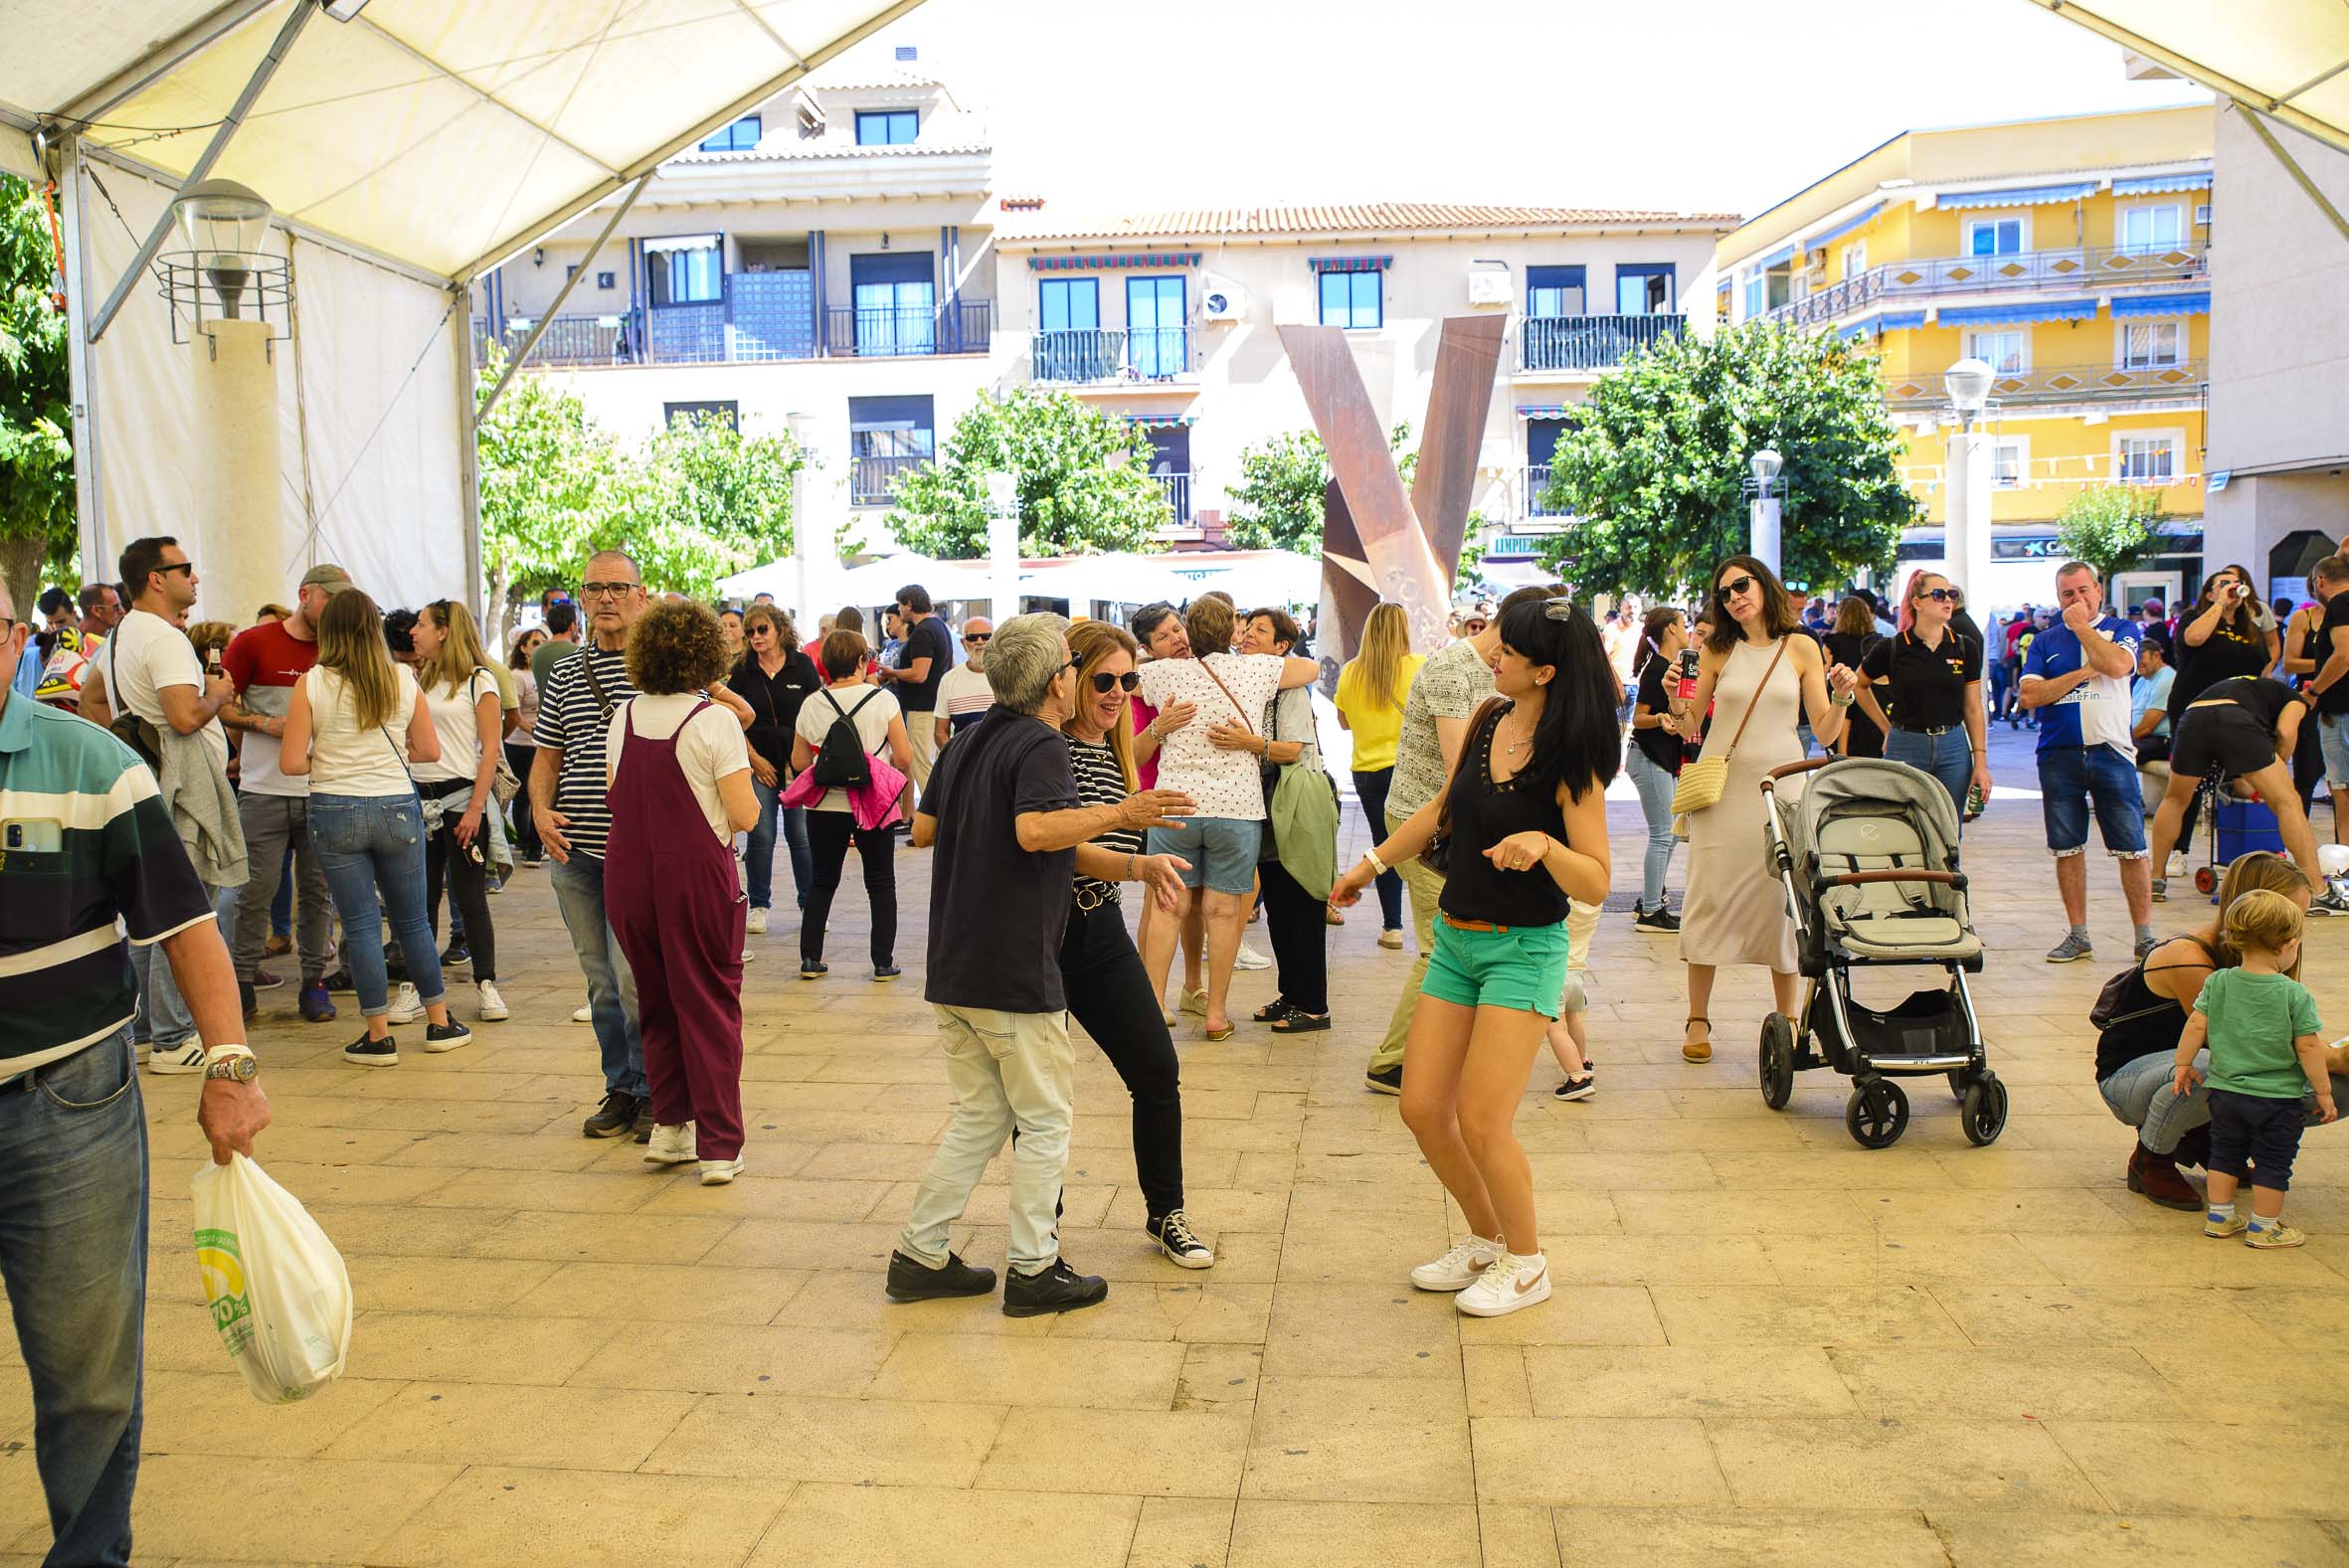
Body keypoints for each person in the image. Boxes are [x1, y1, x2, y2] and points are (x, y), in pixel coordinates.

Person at [0, 579, 270, 1566]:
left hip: (66, 1104)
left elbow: (184, 923)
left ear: (16, 641)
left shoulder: (91, 762)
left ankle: (87, 1554)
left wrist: (230, 1061)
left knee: (86, 1365)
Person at [1329, 596, 1616, 1318]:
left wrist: (1547, 846)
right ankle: (1486, 1239)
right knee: (1424, 1108)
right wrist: (1370, 863)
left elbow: (1599, 878)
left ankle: (1528, 1261)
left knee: (1485, 1121)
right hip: (1458, 939)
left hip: (1524, 949)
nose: (1495, 654)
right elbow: (1443, 809)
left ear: (1545, 670)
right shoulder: (1489, 716)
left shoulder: (1571, 756)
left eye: (1512, 652)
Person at [886, 613, 1123, 1316]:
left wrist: (1132, 865)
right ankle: (1034, 1267)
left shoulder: (969, 738)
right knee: (1045, 1120)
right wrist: (1124, 810)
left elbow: (925, 829)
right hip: (1011, 968)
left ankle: (919, 1253)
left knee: (982, 1115)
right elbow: (1035, 829)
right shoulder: (1042, 744)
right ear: (1059, 680)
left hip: (955, 964)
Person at [1047, 619, 1213, 1265]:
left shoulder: (1113, 746)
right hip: (1047, 935)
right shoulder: (1047, 748)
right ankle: (1042, 1233)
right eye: (1105, 679)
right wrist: (1139, 864)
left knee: (1156, 1068)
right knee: (1043, 1098)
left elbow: (1119, 825)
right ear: (1070, 678)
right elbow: (1058, 847)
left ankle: (1166, 1212)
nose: (1120, 691)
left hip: (1103, 927)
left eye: (1129, 678)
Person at [1361, 584, 1562, 1094]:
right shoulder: (1455, 670)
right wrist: (1369, 866)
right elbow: (1460, 775)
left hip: (1459, 828)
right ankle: (1394, 1061)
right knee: (1438, 945)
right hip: (1432, 830)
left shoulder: (1504, 685)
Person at [1675, 556, 1858, 1063]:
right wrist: (1674, 698)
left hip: (1780, 790)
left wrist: (1842, 697)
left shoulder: (1800, 646)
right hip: (1722, 790)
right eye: (1725, 591)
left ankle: (1791, 1018)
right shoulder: (1712, 649)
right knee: (1709, 896)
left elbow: (1822, 730)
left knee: (1785, 903)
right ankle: (1697, 1017)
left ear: (1763, 585)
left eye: (1742, 585)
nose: (1734, 596)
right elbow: (1690, 724)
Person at [278, 590, 472, 1065]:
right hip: (396, 806)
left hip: (334, 806)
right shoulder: (403, 678)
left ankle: (378, 1035)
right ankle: (440, 1022)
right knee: (413, 922)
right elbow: (428, 751)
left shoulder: (312, 683)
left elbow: (288, 763)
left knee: (362, 924)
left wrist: (331, 757)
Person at [606, 600, 761, 1187]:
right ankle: (720, 1144)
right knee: (711, 1003)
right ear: (706, 657)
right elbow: (744, 815)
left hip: (627, 874)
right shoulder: (712, 719)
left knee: (657, 998)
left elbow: (615, 791)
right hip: (694, 875)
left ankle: (671, 1127)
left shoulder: (622, 715)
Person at [91, 537, 249, 1074]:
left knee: (149, 912)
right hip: (178, 790)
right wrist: (219, 696)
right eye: (186, 569)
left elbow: (92, 700)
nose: (196, 578)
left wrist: (119, 744)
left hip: (145, 783)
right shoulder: (162, 637)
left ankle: (141, 1029)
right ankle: (173, 1037)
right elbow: (183, 717)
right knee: (184, 912)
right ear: (156, 578)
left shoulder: (118, 635)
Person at [1134, 596, 1320, 1042]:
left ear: (1187, 633)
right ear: (1233, 633)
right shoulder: (1256, 670)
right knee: (1222, 912)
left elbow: (1127, 681)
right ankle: (1216, 1014)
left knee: (1168, 906)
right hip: (1237, 811)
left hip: (1176, 804)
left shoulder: (1160, 673)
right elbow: (1310, 671)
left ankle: (1155, 1005)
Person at [219, 563, 348, 1027]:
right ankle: (241, 982)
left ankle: (314, 981)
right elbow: (220, 705)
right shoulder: (255, 642)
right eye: (329, 599)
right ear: (305, 594)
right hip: (263, 789)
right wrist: (263, 723)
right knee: (254, 891)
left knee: (318, 894)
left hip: (324, 791)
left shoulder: (341, 648)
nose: (335, 608)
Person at [2173, 888, 2332, 1248]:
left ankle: (2220, 1217)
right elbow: (2308, 1046)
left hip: (2226, 1094)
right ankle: (2264, 1226)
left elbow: (2196, 1025)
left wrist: (2183, 1063)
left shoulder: (2220, 981)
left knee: (2225, 1153)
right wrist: (2322, 1090)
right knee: (2273, 1162)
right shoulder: (2294, 994)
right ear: (2287, 944)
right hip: (2278, 1100)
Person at [2022, 561, 2155, 963]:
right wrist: (2082, 673)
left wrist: (2082, 628)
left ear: (2098, 591)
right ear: (2057, 596)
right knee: (2067, 847)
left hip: (2111, 751)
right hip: (2059, 753)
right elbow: (2030, 697)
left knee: (2132, 846)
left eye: (2082, 591)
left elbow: (2117, 666)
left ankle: (2144, 937)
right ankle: (2078, 935)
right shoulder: (2045, 641)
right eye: (2067, 594)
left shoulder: (2124, 631)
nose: (2076, 599)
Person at [1224, 606, 1332, 1032]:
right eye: (1247, 629)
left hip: (1294, 804)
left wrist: (1246, 742)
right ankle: (1291, 994)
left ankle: (1313, 1005)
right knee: (1280, 907)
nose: (1248, 636)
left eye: (1260, 631)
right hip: (1266, 807)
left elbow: (1293, 748)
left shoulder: (1291, 689)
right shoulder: (1253, 683)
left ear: (1282, 646)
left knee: (1303, 903)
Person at [402, 599, 507, 1024]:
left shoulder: (479, 681)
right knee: (418, 900)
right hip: (416, 798)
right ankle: (416, 985)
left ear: (444, 630)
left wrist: (477, 809)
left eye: (422, 624)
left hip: (461, 799)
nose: (414, 631)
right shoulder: (417, 680)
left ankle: (486, 983)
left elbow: (490, 750)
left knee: (469, 896)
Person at [791, 629, 911, 980]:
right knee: (881, 882)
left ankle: (811, 958)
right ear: (862, 661)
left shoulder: (812, 703)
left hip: (825, 805)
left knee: (822, 880)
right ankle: (882, 962)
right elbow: (903, 756)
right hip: (873, 804)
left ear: (825, 664)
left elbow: (799, 762)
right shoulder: (883, 700)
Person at [2144, 673, 2326, 896]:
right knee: (2288, 801)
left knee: (2175, 799)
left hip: (2193, 717)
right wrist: (2279, 763)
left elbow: (2244, 782)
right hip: (2234, 717)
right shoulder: (2296, 699)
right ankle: (2316, 888)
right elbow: (2285, 732)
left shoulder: (2251, 688)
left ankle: (2156, 879)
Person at [2165, 564, 2282, 864]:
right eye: (2223, 583)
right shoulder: (2194, 618)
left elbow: (2263, 660)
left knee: (2246, 779)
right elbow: (2194, 639)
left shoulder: (2249, 627)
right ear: (2209, 592)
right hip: (2195, 711)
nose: (2232, 587)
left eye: (2236, 583)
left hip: (2238, 714)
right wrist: (2219, 604)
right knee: (2188, 783)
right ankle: (2177, 851)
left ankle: (2248, 849)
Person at [1856, 570, 1990, 826]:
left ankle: (1948, 869)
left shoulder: (1964, 647)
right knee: (1904, 828)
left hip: (1953, 745)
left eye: (1952, 594)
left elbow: (1973, 708)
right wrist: (1886, 728)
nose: (1948, 601)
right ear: (1917, 603)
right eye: (1939, 595)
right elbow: (1859, 685)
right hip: (1906, 743)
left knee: (1949, 831)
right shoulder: (1892, 647)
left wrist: (1980, 762)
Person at [1127, 603, 1204, 1015]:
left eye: (1178, 629)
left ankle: (1193, 986)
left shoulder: (1199, 671)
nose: (1177, 639)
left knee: (1195, 901)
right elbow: (1133, 756)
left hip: (1194, 803)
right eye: (1164, 636)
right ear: (1147, 648)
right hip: (1152, 801)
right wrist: (1162, 725)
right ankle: (1146, 994)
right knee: (1159, 897)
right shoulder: (1136, 687)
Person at [1334, 603, 1423, 951]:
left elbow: (1344, 721)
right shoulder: (1418, 666)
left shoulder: (1351, 672)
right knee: (1421, 845)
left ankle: (1393, 927)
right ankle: (1432, 922)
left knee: (1384, 849)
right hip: (1408, 770)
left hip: (1368, 772)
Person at [729, 603, 819, 932]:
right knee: (761, 833)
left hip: (797, 766)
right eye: (750, 631)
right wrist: (755, 760)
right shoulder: (742, 672)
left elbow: (816, 713)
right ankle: (759, 904)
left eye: (762, 629)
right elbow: (731, 721)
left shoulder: (802, 666)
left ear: (780, 629)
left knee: (801, 835)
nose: (755, 637)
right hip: (758, 766)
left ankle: (809, 903)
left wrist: (799, 760)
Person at [1624, 605, 1690, 933]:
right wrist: (1661, 718)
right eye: (1683, 623)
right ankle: (1651, 910)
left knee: (1670, 834)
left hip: (1662, 759)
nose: (1688, 628)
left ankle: (1651, 900)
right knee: (1664, 834)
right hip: (1649, 757)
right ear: (1671, 629)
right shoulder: (1658, 669)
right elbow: (1638, 718)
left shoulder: (1671, 667)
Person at [878, 583, 953, 796]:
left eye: (901, 606)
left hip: (922, 708)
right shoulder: (940, 627)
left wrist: (892, 672)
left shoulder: (923, 632)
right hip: (937, 705)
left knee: (923, 765)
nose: (899, 610)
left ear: (909, 605)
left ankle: (933, 818)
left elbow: (919, 674)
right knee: (934, 763)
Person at [2304, 555, 2349, 851]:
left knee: (2343, 791)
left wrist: (2314, 691)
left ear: (2319, 580)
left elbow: (2344, 655)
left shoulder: (2339, 603)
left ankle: (2345, 866)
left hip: (2341, 711)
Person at [1824, 597, 1885, 759]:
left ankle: (1842, 758)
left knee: (1841, 744)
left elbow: (1822, 671)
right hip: (1872, 697)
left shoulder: (1833, 642)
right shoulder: (1877, 641)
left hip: (1840, 694)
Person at [507, 627, 547, 864]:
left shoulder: (545, 672)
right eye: (534, 642)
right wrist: (532, 729)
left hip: (540, 743)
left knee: (538, 794)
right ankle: (524, 839)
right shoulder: (518, 676)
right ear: (523, 648)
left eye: (543, 641)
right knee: (522, 795)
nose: (539, 645)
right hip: (520, 743)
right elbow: (514, 714)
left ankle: (535, 844)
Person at [933, 615, 994, 748]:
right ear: (963, 643)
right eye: (972, 637)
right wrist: (955, 757)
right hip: (965, 761)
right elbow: (940, 732)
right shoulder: (949, 680)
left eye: (986, 636)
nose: (980, 641)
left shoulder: (1010, 676)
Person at [529, 598, 581, 694]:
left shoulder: (536, 653)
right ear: (572, 626)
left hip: (545, 708)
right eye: (578, 623)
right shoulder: (578, 653)